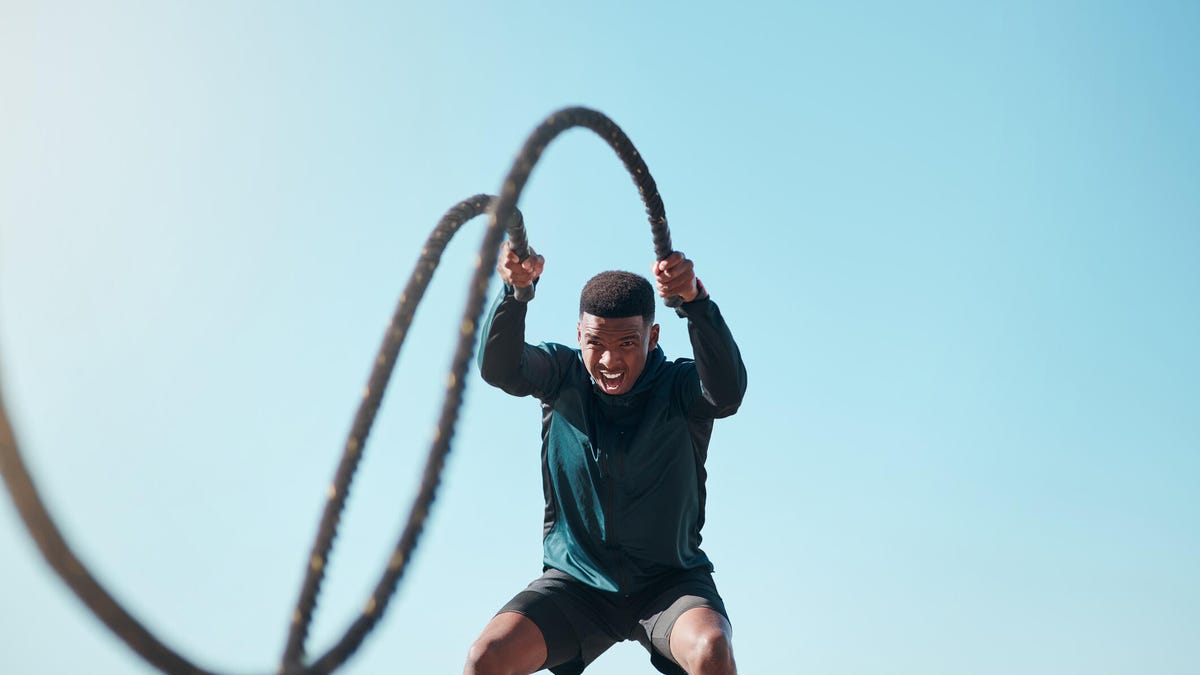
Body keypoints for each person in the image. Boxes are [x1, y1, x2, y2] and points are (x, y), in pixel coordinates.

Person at [464, 240, 747, 675]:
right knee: (488, 657)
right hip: (576, 582)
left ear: (652, 337)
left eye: (627, 343)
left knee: (711, 648)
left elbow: (726, 393)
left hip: (669, 582)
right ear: (579, 335)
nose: (610, 360)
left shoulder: (679, 387)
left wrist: (696, 303)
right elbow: (499, 369)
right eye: (596, 343)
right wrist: (514, 295)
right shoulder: (561, 375)